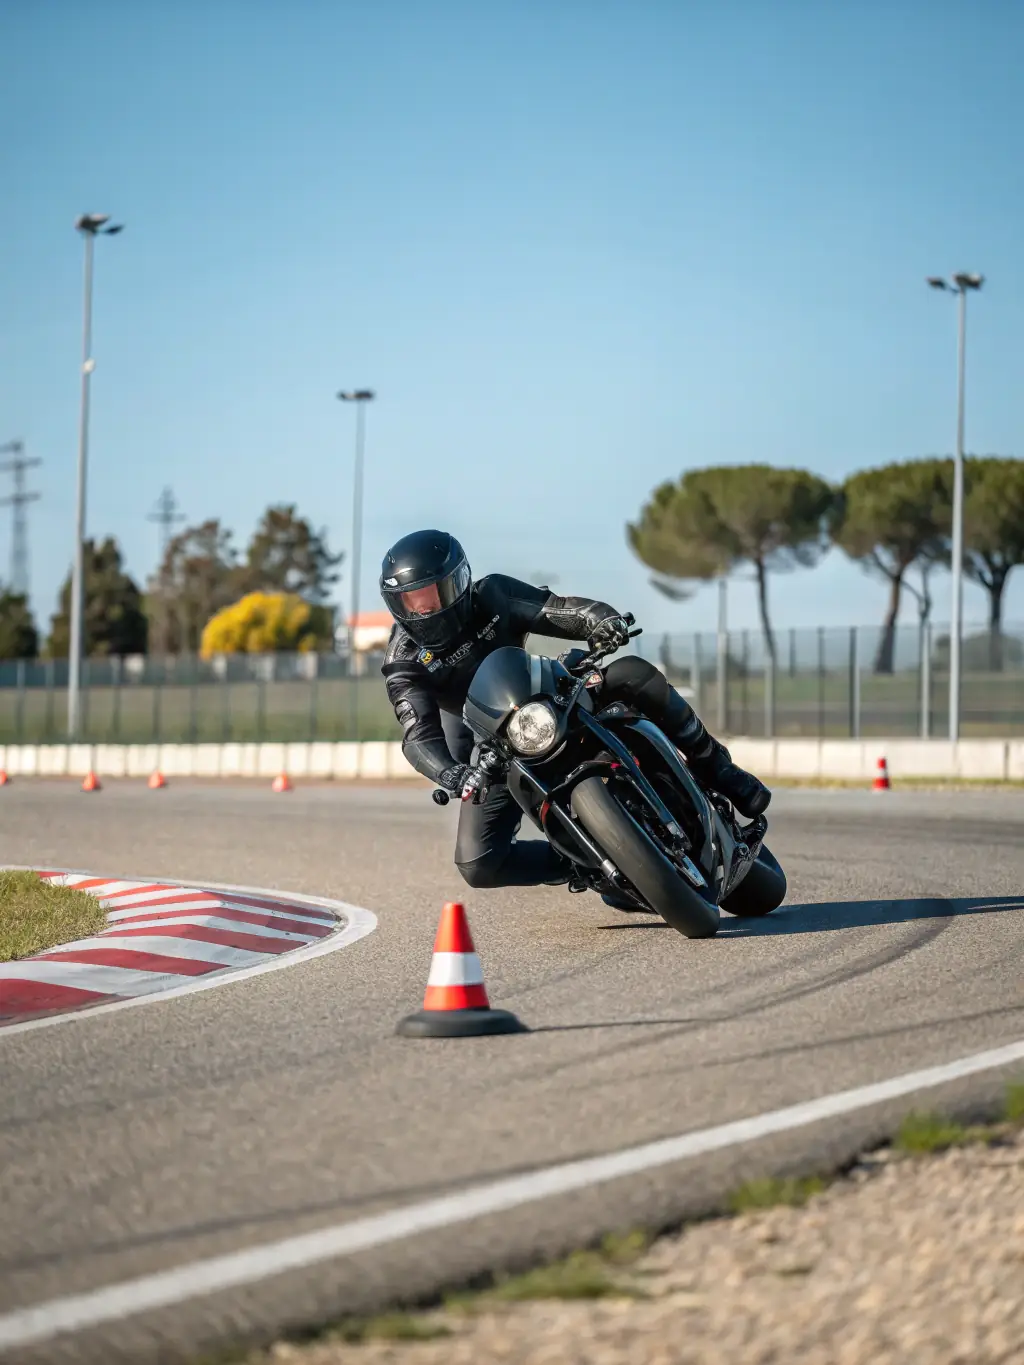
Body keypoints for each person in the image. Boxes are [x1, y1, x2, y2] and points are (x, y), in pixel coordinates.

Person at [380, 529, 771, 890]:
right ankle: (585, 863)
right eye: (412, 601)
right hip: (493, 745)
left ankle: (718, 768)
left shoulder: (494, 595)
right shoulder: (403, 662)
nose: (425, 610)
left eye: (433, 594)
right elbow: (417, 736)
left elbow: (559, 609)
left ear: (460, 581)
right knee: (478, 865)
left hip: (546, 694)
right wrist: (451, 773)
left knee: (631, 674)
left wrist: (602, 620)